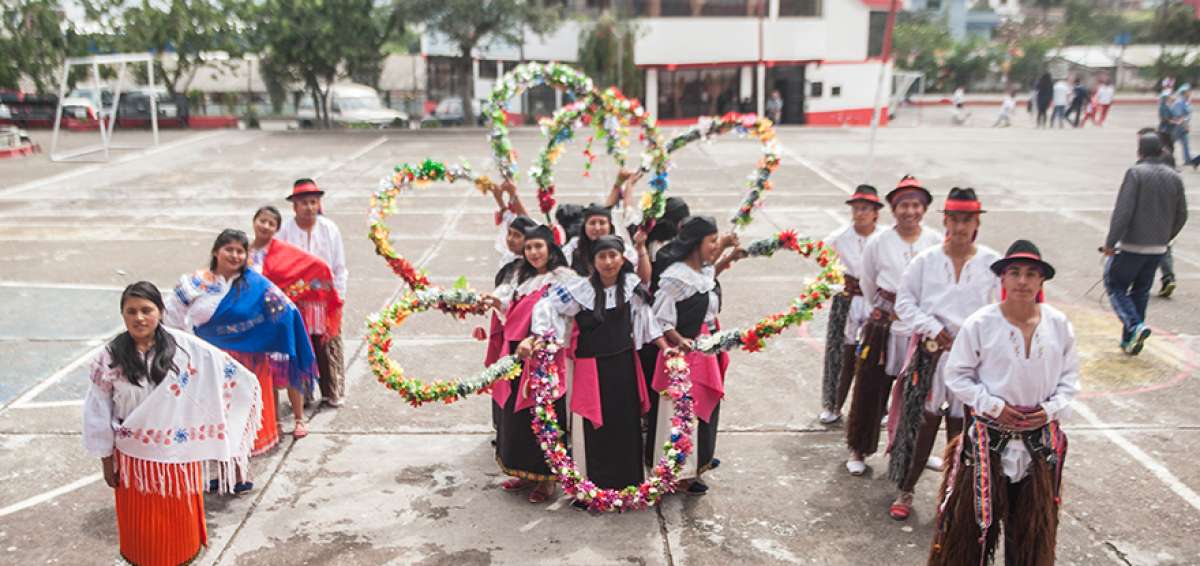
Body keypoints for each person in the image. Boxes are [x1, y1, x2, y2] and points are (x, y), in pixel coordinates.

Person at [84, 282, 263, 566]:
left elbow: (224, 372)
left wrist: (244, 389)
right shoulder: (107, 358)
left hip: (179, 454)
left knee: (177, 521)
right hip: (133, 460)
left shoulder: (184, 349)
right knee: (141, 526)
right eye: (131, 311)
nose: (139, 318)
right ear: (123, 315)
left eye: (146, 310)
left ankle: (180, 558)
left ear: (160, 312)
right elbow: (97, 412)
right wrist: (107, 461)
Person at [928, 240, 1078, 566]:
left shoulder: (1059, 326)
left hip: (1039, 448)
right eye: (1015, 273)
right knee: (968, 536)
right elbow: (957, 375)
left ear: (1041, 281)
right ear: (1003, 279)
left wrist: (1048, 411)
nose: (1022, 281)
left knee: (1029, 535)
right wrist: (994, 406)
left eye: (1030, 274)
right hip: (988, 444)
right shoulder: (981, 324)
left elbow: (1070, 382)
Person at [885, 188, 999, 521]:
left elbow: (999, 310)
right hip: (932, 354)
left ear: (976, 222)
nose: (961, 227)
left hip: (972, 358)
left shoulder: (992, 262)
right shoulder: (926, 260)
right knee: (921, 424)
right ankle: (906, 488)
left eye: (968, 220)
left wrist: (975, 339)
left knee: (962, 428)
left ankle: (952, 494)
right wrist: (933, 328)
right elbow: (904, 303)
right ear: (946, 220)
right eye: (955, 220)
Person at [528, 235, 668, 503]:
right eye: (601, 256)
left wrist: (665, 347)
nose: (608, 261)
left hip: (624, 366)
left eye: (613, 255)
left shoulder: (630, 286)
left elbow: (646, 320)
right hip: (591, 369)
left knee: (626, 425)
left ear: (621, 257)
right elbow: (547, 306)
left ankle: (630, 485)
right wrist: (542, 337)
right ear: (592, 262)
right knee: (589, 427)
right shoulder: (580, 290)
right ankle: (589, 489)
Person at [164, 229, 317, 468]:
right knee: (213, 418)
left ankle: (239, 473)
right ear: (216, 251)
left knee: (241, 418)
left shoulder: (254, 283)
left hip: (248, 364)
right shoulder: (193, 283)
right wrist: (185, 351)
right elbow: (172, 317)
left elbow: (285, 310)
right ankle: (220, 471)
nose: (235, 255)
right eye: (229, 249)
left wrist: (283, 338)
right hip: (208, 362)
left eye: (240, 251)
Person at [845, 175, 942, 476]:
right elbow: (868, 282)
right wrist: (885, 311)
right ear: (892, 208)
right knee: (871, 386)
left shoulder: (935, 241)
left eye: (915, 205)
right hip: (884, 323)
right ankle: (859, 447)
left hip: (920, 325)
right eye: (903, 205)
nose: (909, 211)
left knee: (919, 392)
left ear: (924, 209)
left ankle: (914, 450)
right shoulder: (878, 242)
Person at [649, 216, 747, 494]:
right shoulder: (675, 278)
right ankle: (678, 471)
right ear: (695, 244)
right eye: (711, 241)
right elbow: (660, 318)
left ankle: (697, 465)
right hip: (684, 355)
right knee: (680, 414)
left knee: (704, 411)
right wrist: (680, 341)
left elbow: (707, 279)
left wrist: (727, 255)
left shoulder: (700, 270)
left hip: (707, 348)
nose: (714, 246)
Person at [485, 224, 577, 503]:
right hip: (515, 351)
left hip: (543, 355)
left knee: (543, 415)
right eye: (529, 248)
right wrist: (493, 302)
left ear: (551, 248)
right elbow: (507, 306)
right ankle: (524, 472)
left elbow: (564, 318)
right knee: (516, 416)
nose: (534, 252)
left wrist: (537, 340)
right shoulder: (519, 276)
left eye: (539, 246)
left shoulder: (564, 279)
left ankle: (547, 480)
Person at [247, 205, 344, 439]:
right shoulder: (244, 251)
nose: (266, 226)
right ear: (254, 221)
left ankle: (300, 419)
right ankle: (276, 421)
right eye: (262, 221)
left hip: (281, 317)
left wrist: (329, 290)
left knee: (290, 367)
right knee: (266, 371)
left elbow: (315, 267)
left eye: (271, 224)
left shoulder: (283, 251)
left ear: (277, 229)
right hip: (255, 319)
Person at [1102, 134, 1188, 355]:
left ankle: (1134, 325)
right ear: (1161, 151)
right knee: (1141, 292)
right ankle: (1129, 340)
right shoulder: (1174, 176)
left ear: (1139, 151)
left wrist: (1111, 243)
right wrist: (1166, 237)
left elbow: (1123, 211)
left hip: (1132, 245)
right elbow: (1182, 214)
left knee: (1115, 285)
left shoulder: (1135, 173)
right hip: (1158, 248)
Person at [277, 178, 349, 407]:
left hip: (325, 299)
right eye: (304, 203)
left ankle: (332, 390)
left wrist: (338, 296)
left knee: (328, 345)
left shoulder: (329, 229)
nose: (309, 207)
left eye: (313, 202)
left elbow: (339, 267)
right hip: (296, 300)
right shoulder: (285, 231)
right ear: (294, 206)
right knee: (300, 346)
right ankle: (303, 394)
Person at [819, 185, 884, 425]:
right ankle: (832, 403)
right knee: (840, 353)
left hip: (876, 299)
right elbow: (825, 265)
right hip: (847, 298)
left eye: (865, 209)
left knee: (877, 354)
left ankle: (878, 407)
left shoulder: (885, 237)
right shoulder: (838, 238)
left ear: (876, 212)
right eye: (856, 209)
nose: (860, 214)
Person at [563, 170, 650, 282]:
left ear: (610, 226)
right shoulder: (574, 246)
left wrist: (641, 247)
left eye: (602, 223)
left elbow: (643, 279)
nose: (597, 228)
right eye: (592, 223)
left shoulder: (622, 248)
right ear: (584, 226)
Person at [1170, 84, 1193, 164]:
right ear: (1184, 93)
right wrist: (1185, 125)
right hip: (1177, 127)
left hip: (1182, 126)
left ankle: (1187, 160)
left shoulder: (1185, 102)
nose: (1190, 93)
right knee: (1170, 143)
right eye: (1188, 91)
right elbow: (1179, 116)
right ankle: (1165, 159)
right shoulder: (1179, 103)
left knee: (1185, 143)